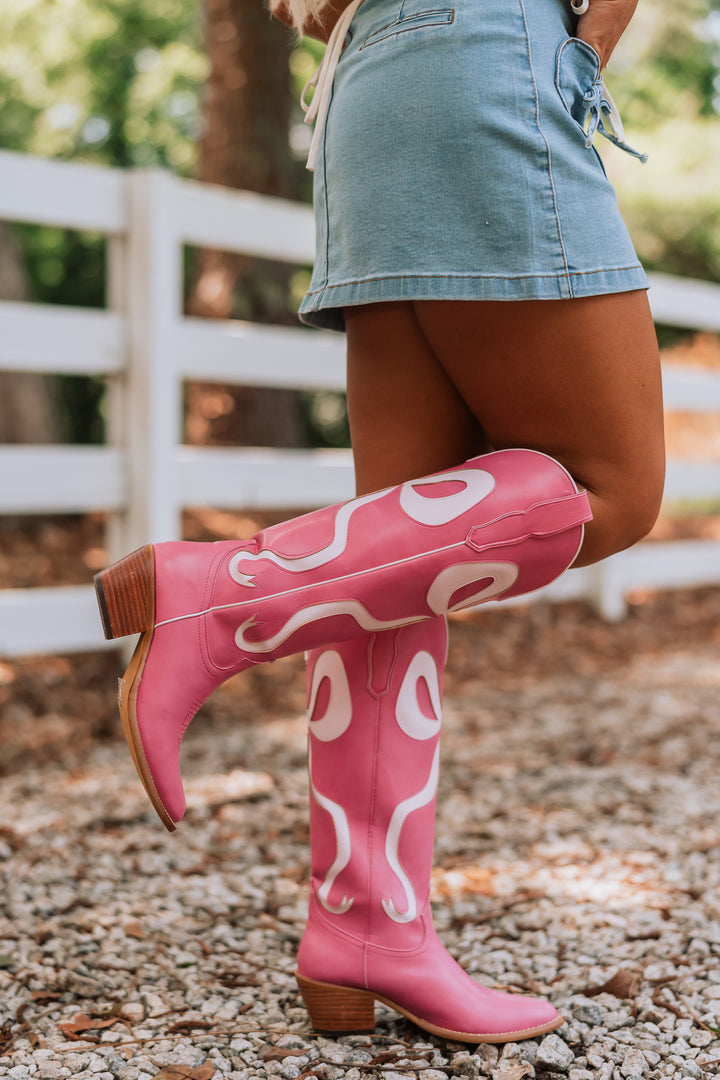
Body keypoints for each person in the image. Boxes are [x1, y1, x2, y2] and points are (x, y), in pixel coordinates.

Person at [94, 0, 665, 1046]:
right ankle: (218, 597)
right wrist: (578, 53)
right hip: (491, 61)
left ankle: (366, 930)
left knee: (400, 561)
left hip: (375, 86)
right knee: (614, 488)